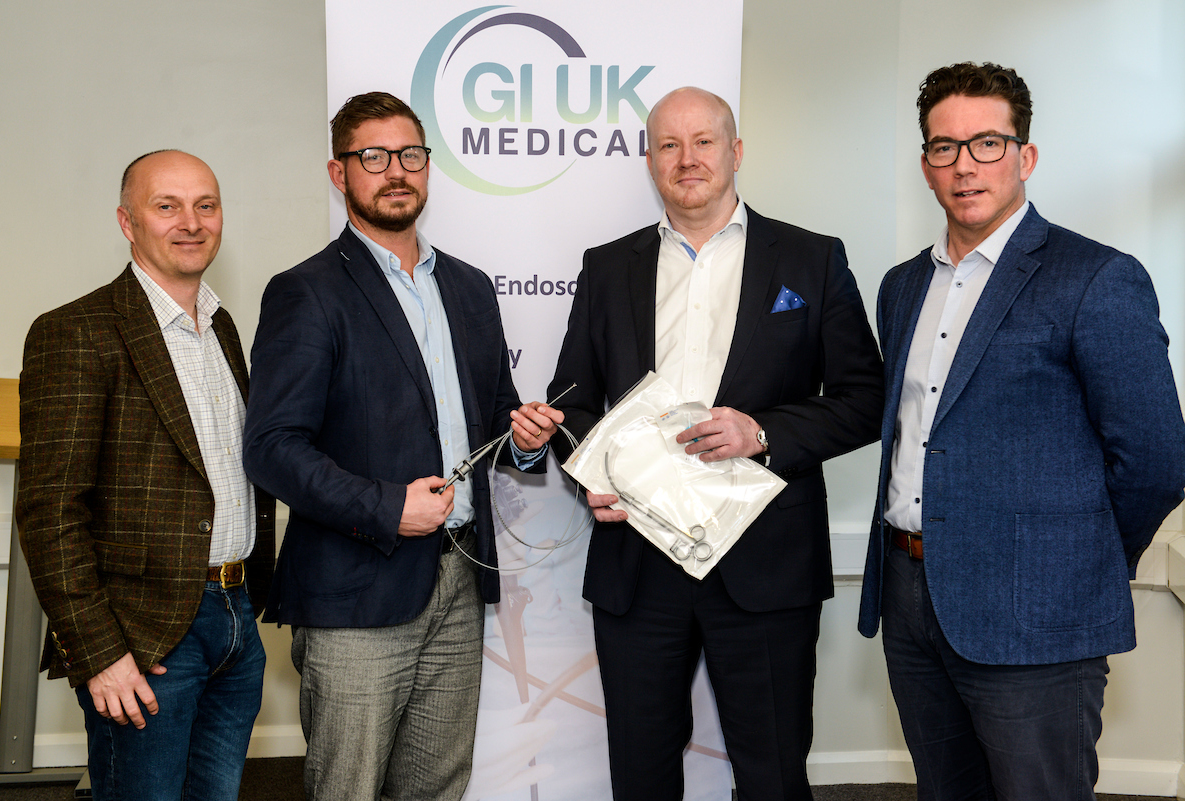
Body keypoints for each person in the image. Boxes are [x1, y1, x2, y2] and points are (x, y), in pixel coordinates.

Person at [857, 62, 1185, 800]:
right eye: (945, 148)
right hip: (911, 596)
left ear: (1025, 156)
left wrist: (1079, 560)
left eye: (987, 143)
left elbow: (1158, 460)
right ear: (925, 164)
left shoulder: (1096, 278)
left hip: (1038, 607)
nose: (964, 165)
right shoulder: (902, 285)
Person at [547, 86, 885, 801]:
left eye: (704, 141)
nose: (687, 158)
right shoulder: (607, 266)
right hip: (638, 559)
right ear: (649, 161)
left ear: (736, 152)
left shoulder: (812, 259)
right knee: (641, 771)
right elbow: (573, 402)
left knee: (771, 772)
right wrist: (590, 479)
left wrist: (762, 433)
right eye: (669, 144)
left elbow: (865, 401)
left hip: (765, 562)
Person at [242, 92, 562, 801]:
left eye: (410, 155)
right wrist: (387, 507)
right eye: (374, 157)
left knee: (436, 784)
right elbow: (270, 446)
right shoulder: (308, 292)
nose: (396, 171)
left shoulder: (471, 288)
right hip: (356, 589)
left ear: (427, 167)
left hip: (457, 576)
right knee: (349, 786)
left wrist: (527, 441)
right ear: (340, 173)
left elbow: (495, 419)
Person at [16, 149, 276, 801]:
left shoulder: (223, 328)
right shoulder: (75, 332)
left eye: (206, 205)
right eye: (167, 206)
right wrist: (97, 651)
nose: (191, 221)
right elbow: (50, 512)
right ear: (127, 221)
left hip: (235, 616)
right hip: (142, 634)